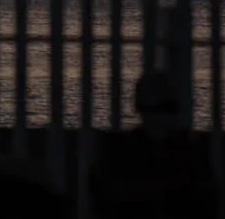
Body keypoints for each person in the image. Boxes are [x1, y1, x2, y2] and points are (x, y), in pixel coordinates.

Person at [87, 69, 217, 218]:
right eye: (154, 109)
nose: (160, 117)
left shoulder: (189, 151)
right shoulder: (189, 151)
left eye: (166, 109)